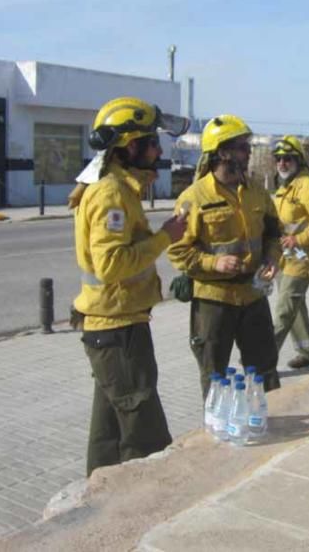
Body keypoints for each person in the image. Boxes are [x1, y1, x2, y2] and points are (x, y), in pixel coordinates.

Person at [73, 97, 190, 476]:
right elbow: (111, 265)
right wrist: (165, 237)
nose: (158, 150)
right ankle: (148, 508)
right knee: (146, 436)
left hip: (115, 328)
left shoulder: (120, 188)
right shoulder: (112, 193)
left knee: (107, 437)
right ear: (129, 146)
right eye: (152, 142)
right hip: (118, 332)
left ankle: (95, 507)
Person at [168, 114, 283, 398]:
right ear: (222, 152)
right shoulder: (194, 198)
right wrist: (214, 262)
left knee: (265, 370)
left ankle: (271, 424)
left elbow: (274, 234)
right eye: (243, 147)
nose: (249, 153)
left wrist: (272, 259)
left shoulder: (256, 192)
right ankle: (215, 433)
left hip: (253, 297)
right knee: (214, 374)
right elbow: (177, 250)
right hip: (213, 302)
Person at [271, 136, 309, 369]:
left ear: (298, 161)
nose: (282, 163)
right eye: (278, 159)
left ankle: (262, 359)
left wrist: (298, 239)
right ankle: (308, 351)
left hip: (301, 258)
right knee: (295, 308)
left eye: (287, 159)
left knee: (285, 310)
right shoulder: (283, 188)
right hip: (283, 258)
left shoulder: (308, 186)